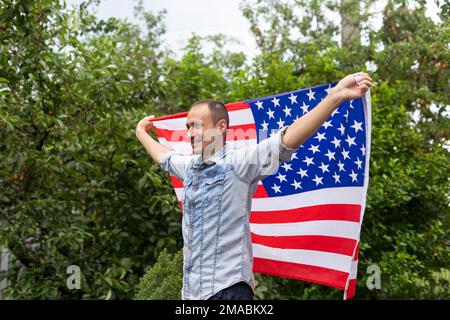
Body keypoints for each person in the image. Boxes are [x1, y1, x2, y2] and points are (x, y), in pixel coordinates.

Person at [136, 72, 372, 300]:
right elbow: (164, 157)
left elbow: (286, 140)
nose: (189, 133)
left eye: (196, 126)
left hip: (228, 290)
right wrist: (141, 133)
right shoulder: (189, 168)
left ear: (220, 127)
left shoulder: (240, 163)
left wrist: (335, 96)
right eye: (187, 127)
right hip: (192, 295)